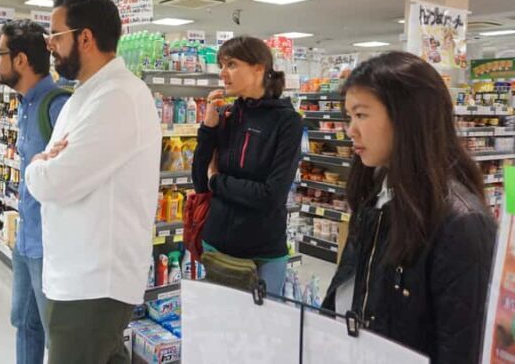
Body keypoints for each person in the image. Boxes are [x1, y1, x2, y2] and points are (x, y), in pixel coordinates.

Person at [322, 52, 497, 363]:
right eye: (350, 117)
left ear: (407, 117)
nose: (351, 130)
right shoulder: (377, 195)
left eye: (361, 115)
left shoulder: (461, 223)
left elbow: (462, 348)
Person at [25, 0, 162, 364]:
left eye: (55, 34)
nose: (49, 44)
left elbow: (55, 179)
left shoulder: (117, 97)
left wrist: (37, 166)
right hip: (76, 274)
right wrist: (45, 164)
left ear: (84, 38)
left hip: (94, 281)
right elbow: (54, 165)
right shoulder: (87, 94)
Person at [191, 36, 303, 295]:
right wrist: (208, 129)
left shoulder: (287, 123)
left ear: (259, 68)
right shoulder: (227, 115)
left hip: (262, 254)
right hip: (215, 247)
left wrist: (218, 181)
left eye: (231, 64)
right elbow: (199, 181)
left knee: (261, 332)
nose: (223, 73)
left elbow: (271, 196)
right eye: (222, 65)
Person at [0, 19, 70, 364]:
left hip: (52, 244)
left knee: (58, 336)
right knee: (23, 321)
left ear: (20, 60)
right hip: (27, 238)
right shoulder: (26, 105)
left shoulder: (58, 106)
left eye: (0, 53)